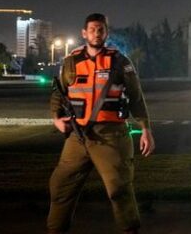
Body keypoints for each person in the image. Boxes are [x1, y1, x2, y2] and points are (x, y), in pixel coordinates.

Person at [47, 13, 155, 234]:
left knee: (119, 190)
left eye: (101, 29)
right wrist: (56, 118)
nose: (97, 33)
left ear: (106, 32)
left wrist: (146, 129)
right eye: (93, 29)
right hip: (78, 137)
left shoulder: (120, 62)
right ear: (84, 33)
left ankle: (129, 230)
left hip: (111, 136)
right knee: (60, 187)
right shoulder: (71, 61)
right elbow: (59, 93)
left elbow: (136, 98)